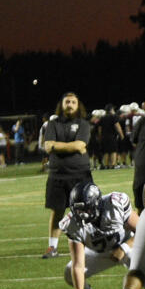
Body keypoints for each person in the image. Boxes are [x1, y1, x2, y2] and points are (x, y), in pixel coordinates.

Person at [62, 182, 145, 289]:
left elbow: (143, 231)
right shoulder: (72, 223)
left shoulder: (114, 204)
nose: (83, 215)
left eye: (86, 209)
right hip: (98, 252)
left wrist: (124, 248)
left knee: (137, 261)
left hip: (126, 246)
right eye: (79, 210)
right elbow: (78, 265)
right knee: (69, 271)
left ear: (96, 203)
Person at [41, 92, 93, 258]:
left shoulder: (83, 124)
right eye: (67, 102)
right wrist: (71, 146)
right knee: (57, 212)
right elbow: (48, 146)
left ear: (78, 106)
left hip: (80, 174)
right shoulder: (53, 123)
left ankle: (88, 245)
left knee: (85, 212)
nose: (70, 104)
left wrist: (58, 146)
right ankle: (52, 247)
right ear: (61, 105)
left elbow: (80, 145)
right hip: (57, 175)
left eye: (73, 102)